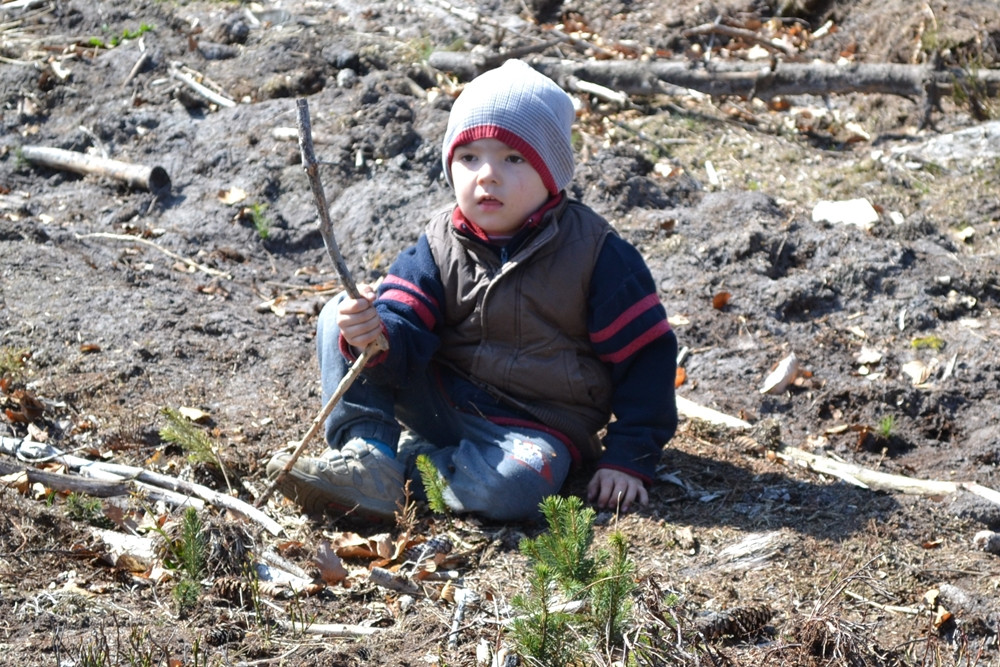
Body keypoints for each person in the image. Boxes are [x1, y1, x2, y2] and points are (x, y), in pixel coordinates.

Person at [267, 59, 678, 522]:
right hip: (441, 399)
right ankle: (368, 452)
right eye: (469, 157)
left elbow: (647, 359)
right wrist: (373, 332)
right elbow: (405, 321)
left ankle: (396, 476)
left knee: (519, 487)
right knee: (341, 312)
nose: (487, 175)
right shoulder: (439, 242)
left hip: (533, 427)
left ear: (552, 172)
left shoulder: (596, 253)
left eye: (513, 158)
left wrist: (630, 457)